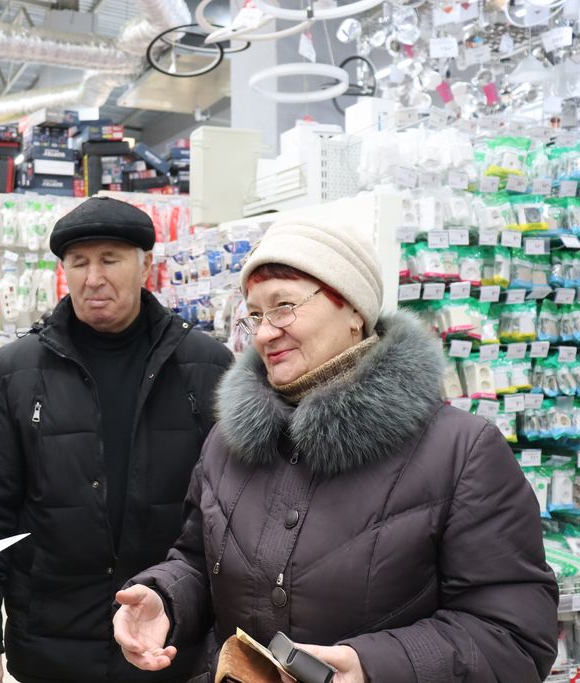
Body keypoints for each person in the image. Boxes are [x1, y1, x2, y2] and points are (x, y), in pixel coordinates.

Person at [113, 220, 559, 683]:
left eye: (284, 307)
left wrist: (373, 666)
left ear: (353, 311)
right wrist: (164, 597)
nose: (265, 334)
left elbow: (514, 636)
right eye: (255, 315)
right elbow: (199, 560)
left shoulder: (461, 452)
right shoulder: (228, 442)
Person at [0, 196, 234, 683]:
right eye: (78, 262)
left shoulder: (207, 366)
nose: (92, 277)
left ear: (145, 265)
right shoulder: (15, 371)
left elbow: (225, 516)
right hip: (51, 642)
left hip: (167, 638)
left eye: (110, 260)